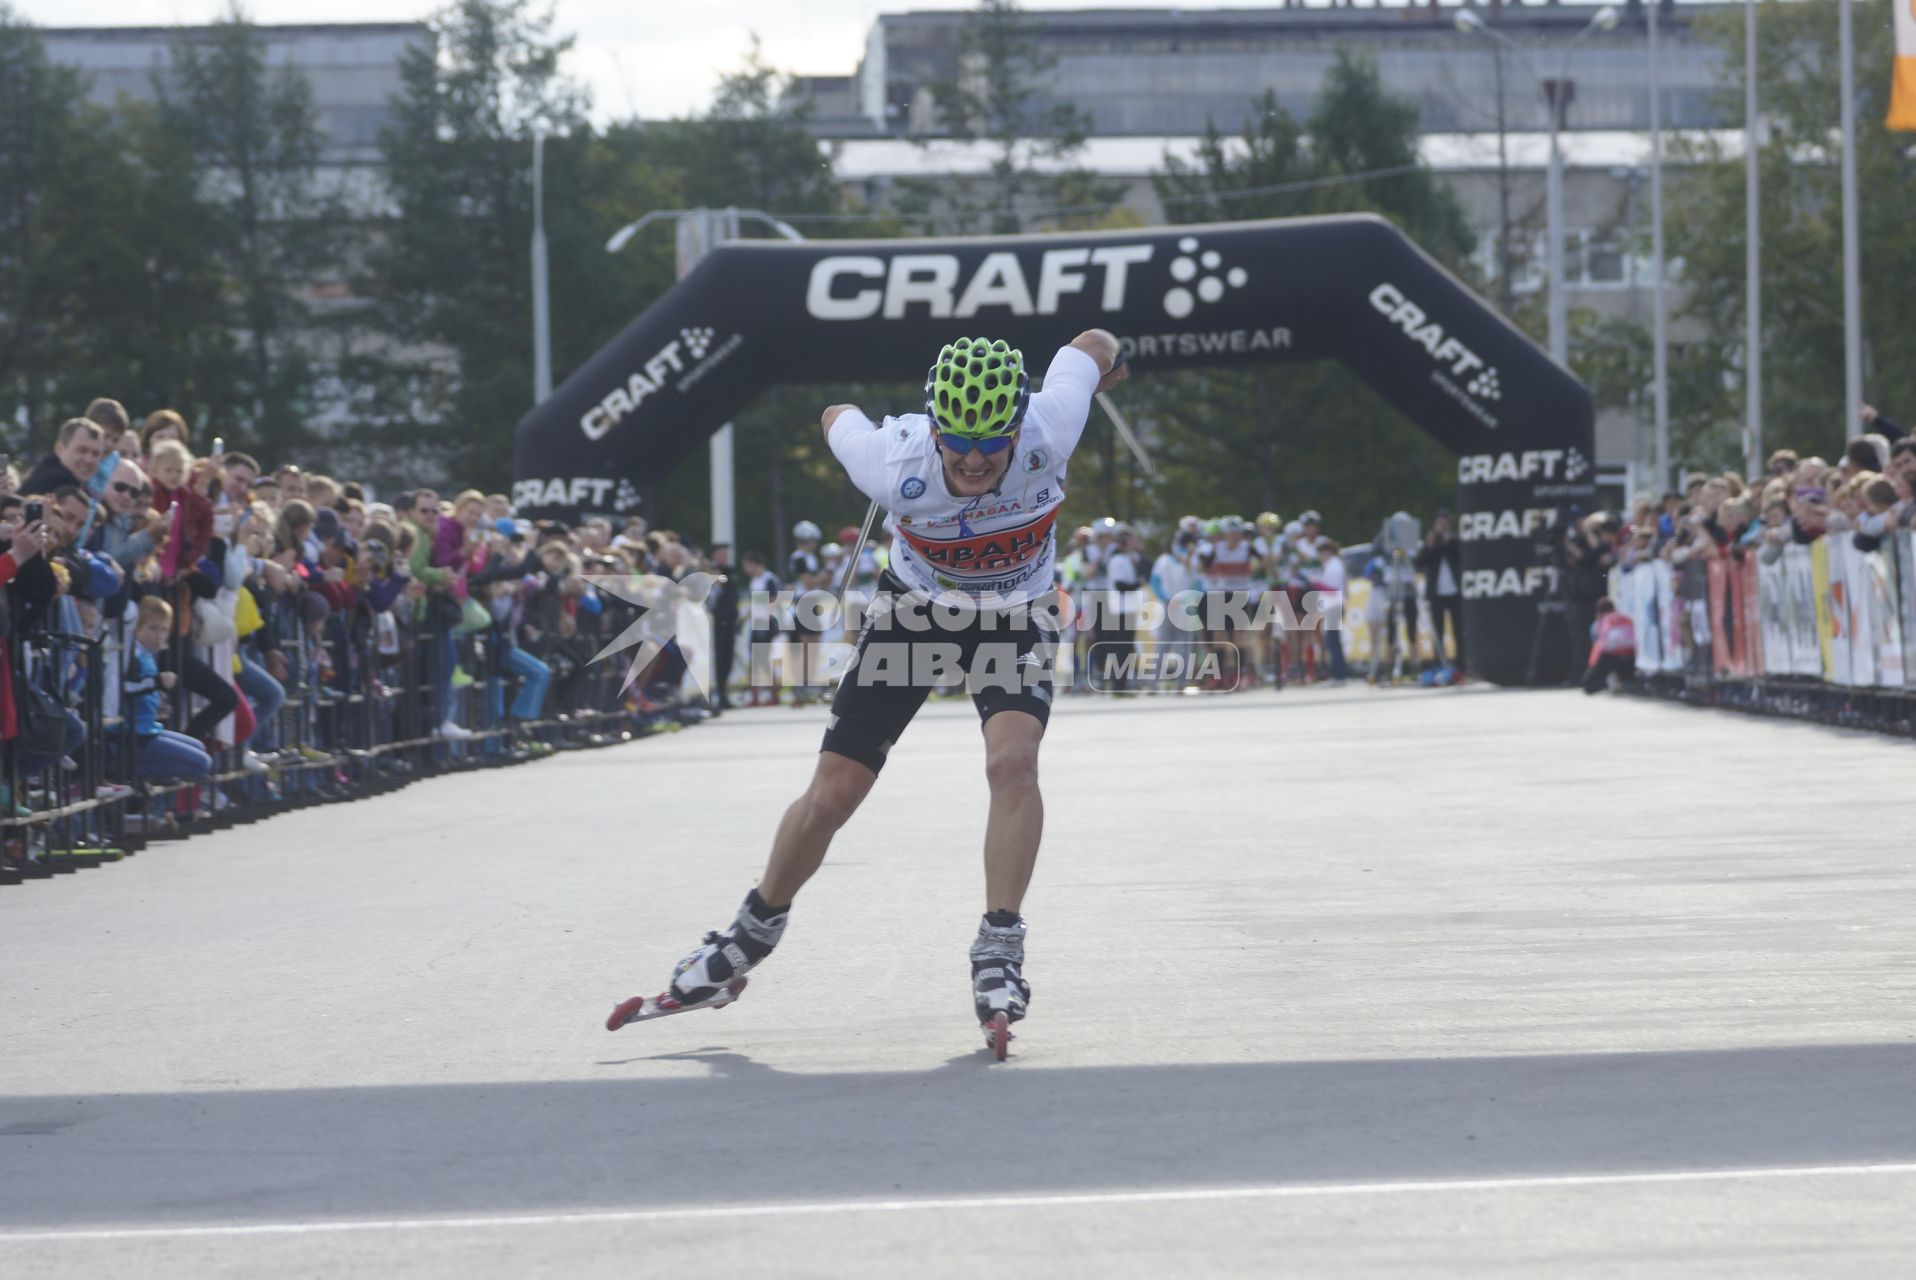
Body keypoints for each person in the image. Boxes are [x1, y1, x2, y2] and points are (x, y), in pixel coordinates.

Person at [612, 330, 1126, 1048]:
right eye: (959, 444)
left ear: (1020, 426)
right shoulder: (893, 462)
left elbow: (1092, 343)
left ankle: (999, 945)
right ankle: (750, 932)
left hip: (1018, 611)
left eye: (992, 444)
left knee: (1014, 761)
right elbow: (835, 415)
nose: (975, 460)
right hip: (915, 612)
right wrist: (874, 428)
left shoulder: (1054, 423)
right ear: (935, 430)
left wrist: (1115, 359)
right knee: (833, 793)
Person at [1415, 509, 1463, 674]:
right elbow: (1419, 565)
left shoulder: (1455, 541)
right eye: (1439, 524)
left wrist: (1449, 542)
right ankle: (1439, 663)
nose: (1442, 528)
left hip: (1455, 592)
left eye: (1445, 524)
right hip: (1436, 594)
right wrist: (1430, 545)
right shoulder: (1430, 543)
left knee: (1459, 630)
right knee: (1438, 631)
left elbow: (1461, 559)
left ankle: (1460, 665)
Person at [1583, 597, 1637, 694]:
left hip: (1608, 657)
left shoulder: (1598, 623)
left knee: (1588, 683)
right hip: (1630, 656)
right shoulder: (1626, 619)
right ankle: (1624, 682)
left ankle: (1607, 684)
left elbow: (1597, 644)